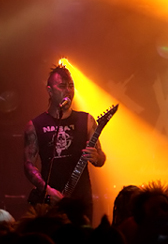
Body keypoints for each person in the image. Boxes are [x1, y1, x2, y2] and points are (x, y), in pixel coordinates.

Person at [24, 64, 106, 219]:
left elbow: (101, 158)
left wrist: (97, 157)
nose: (68, 90)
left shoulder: (86, 120)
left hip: (81, 199)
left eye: (71, 86)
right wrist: (46, 189)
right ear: (50, 90)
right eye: (62, 86)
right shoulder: (35, 125)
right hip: (51, 199)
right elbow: (28, 164)